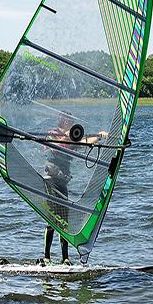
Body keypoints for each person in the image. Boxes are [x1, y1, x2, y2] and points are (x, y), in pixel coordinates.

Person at [41, 112, 108, 265]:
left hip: (62, 182)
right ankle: (47, 257)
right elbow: (54, 147)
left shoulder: (72, 136)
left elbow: (84, 142)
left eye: (71, 121)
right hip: (51, 180)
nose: (70, 123)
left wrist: (99, 136)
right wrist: (68, 135)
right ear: (62, 121)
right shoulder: (53, 133)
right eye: (68, 120)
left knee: (64, 219)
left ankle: (65, 258)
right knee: (52, 219)